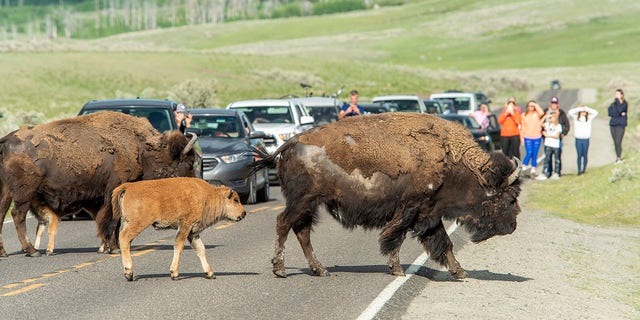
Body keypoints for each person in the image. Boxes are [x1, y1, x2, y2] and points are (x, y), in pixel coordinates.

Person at [543, 96, 570, 176]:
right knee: (548, 157)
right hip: (547, 139)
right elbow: (541, 124)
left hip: (557, 138)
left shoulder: (561, 113)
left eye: (555, 103)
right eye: (552, 103)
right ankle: (548, 172)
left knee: (557, 157)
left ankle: (557, 172)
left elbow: (566, 124)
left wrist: (563, 133)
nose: (554, 105)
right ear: (550, 104)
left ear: (557, 104)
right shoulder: (546, 112)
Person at [568, 105, 598, 175]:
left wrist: (587, 109)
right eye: (582, 111)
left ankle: (584, 169)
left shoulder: (589, 118)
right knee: (579, 155)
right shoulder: (576, 118)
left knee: (585, 155)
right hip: (578, 139)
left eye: (584, 112)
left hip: (586, 139)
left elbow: (596, 112)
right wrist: (579, 108)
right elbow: (570, 112)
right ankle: (579, 170)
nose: (583, 113)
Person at [520, 100, 544, 178]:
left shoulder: (537, 114)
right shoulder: (524, 115)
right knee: (529, 153)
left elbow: (542, 112)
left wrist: (535, 104)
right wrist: (522, 138)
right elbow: (522, 127)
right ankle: (523, 168)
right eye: (530, 106)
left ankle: (533, 171)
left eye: (533, 106)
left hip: (537, 137)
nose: (531, 107)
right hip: (528, 137)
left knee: (535, 154)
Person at [537, 113, 562, 180]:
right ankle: (544, 173)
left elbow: (557, 136)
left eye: (552, 117)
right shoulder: (547, 124)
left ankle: (556, 173)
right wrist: (545, 117)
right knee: (547, 159)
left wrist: (547, 135)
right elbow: (539, 124)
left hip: (555, 145)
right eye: (550, 118)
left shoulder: (558, 126)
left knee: (557, 160)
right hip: (548, 144)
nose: (550, 119)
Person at [608, 89, 627, 164]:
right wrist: (619, 114)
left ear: (622, 95)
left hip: (620, 125)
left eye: (618, 94)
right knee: (615, 141)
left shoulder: (624, 103)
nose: (616, 96)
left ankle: (619, 157)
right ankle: (617, 157)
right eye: (616, 94)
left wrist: (618, 111)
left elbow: (620, 110)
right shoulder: (613, 104)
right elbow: (610, 113)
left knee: (618, 141)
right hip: (613, 124)